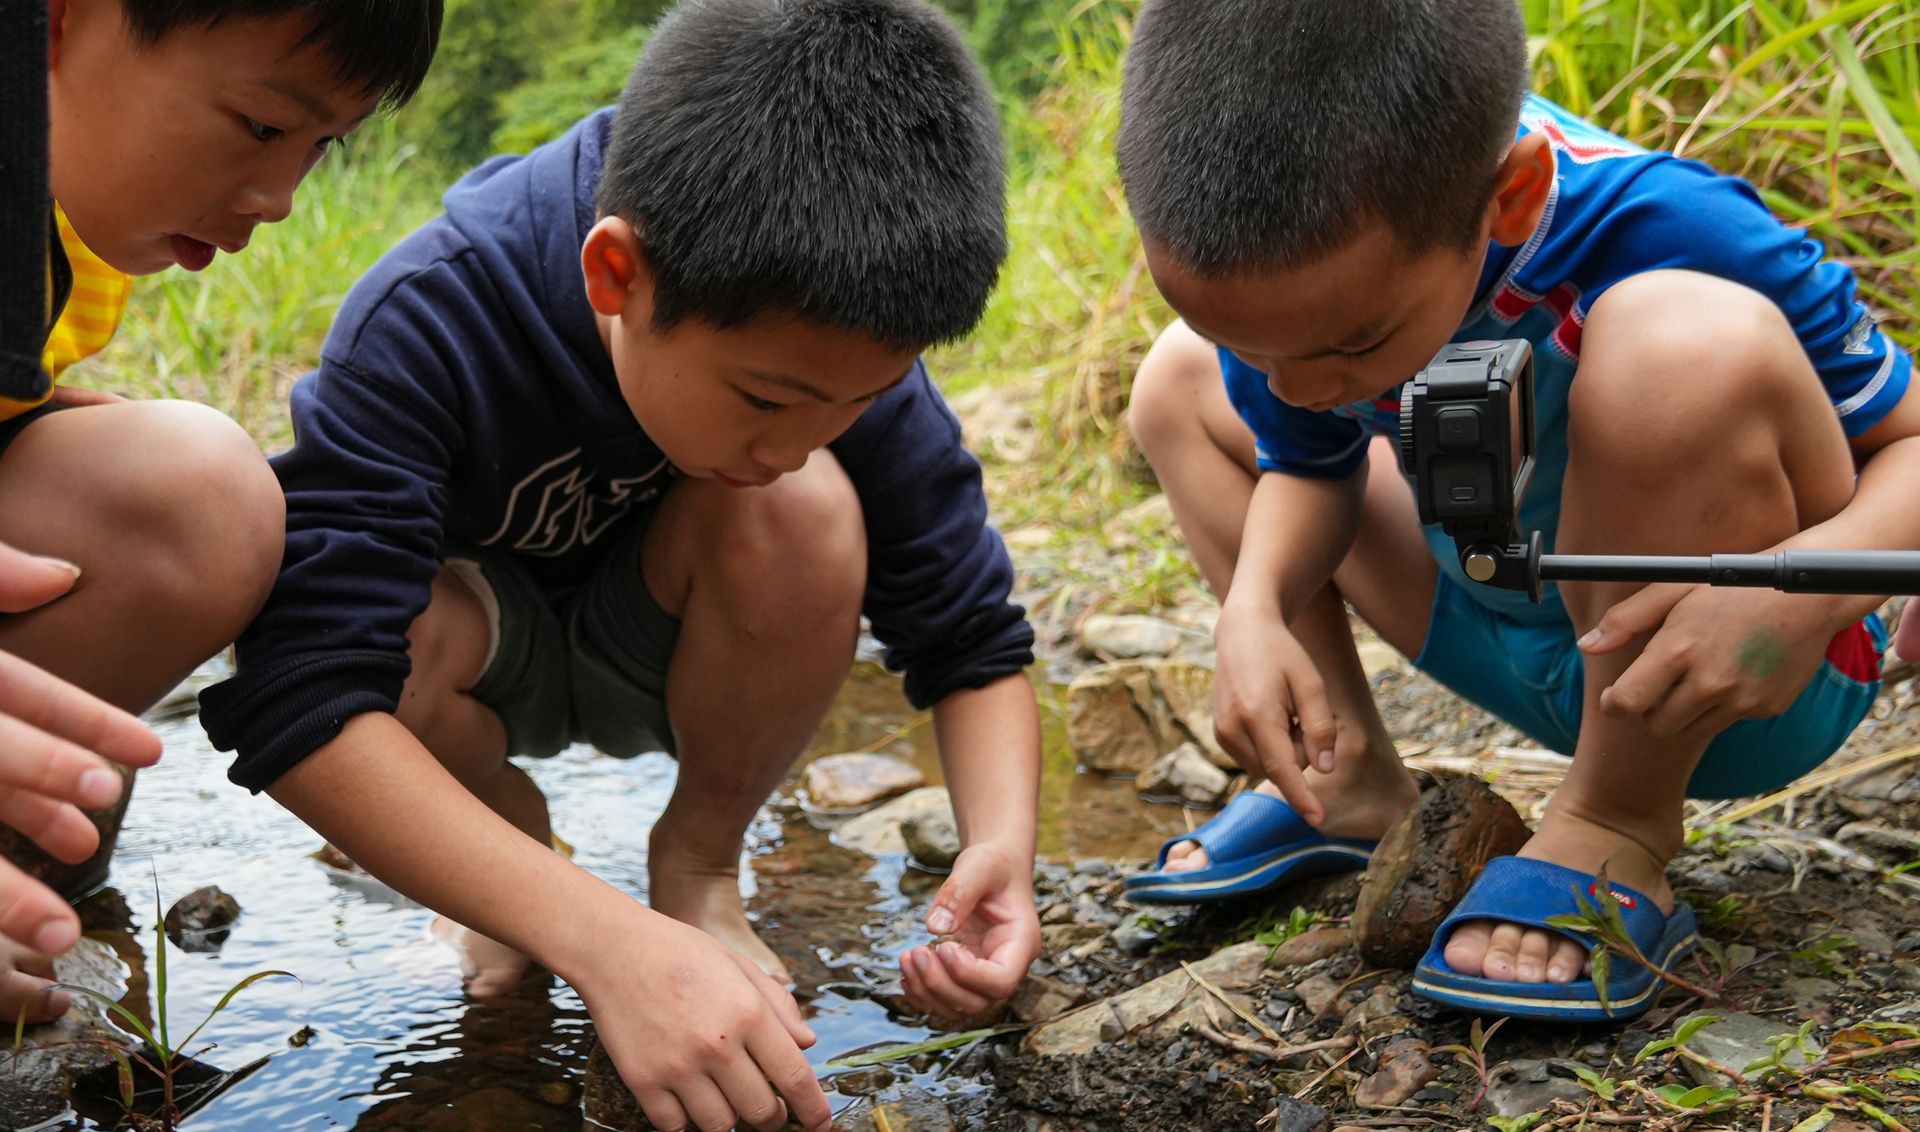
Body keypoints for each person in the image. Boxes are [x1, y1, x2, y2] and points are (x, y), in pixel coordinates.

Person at [196, 0, 1045, 1126]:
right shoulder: (437, 312)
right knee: (386, 641)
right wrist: (595, 939)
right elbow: (296, 686)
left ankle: (696, 869)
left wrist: (1004, 852)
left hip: (679, 638)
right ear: (616, 275)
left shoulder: (833, 332)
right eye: (766, 398)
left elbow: (972, 639)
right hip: (467, 666)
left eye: (860, 402)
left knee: (806, 506)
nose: (796, 437)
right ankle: (506, 871)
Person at [1116, 0, 1916, 1023]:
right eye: (1260, 350)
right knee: (1179, 381)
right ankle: (1349, 777)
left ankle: (1619, 815)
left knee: (1679, 346)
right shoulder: (1299, 274)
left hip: (1730, 675)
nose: (1303, 388)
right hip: (1496, 607)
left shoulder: (1664, 225)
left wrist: (1789, 603)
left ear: (1512, 195)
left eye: (1350, 348)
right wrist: (1255, 606)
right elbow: (1310, 465)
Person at [0, 0, 441, 1027]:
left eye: (319, 148)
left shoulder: (64, 246)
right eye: (259, 126)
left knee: (192, 495)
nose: (282, 197)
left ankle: (41, 899)